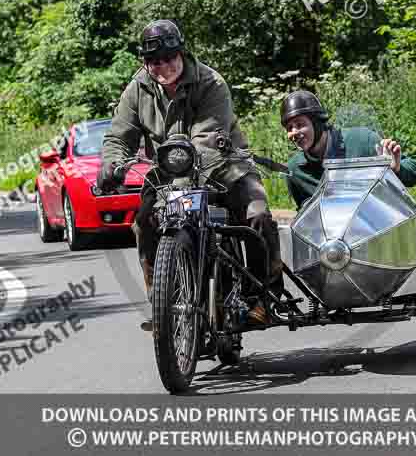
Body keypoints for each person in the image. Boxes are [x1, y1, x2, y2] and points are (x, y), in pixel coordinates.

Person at [98, 19, 282, 329]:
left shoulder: (211, 82)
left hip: (224, 167)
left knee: (258, 214)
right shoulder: (137, 88)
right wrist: (112, 164)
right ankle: (163, 305)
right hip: (166, 177)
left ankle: (262, 298)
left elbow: (207, 139)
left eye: (169, 58)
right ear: (145, 62)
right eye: (154, 61)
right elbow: (119, 136)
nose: (163, 67)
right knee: (144, 223)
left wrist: (181, 189)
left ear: (181, 54)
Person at [280, 91, 416, 209]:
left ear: (317, 121)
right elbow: (305, 217)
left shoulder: (362, 140)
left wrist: (396, 170)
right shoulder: (294, 170)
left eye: (300, 124)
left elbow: (413, 172)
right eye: (289, 128)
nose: (293, 133)